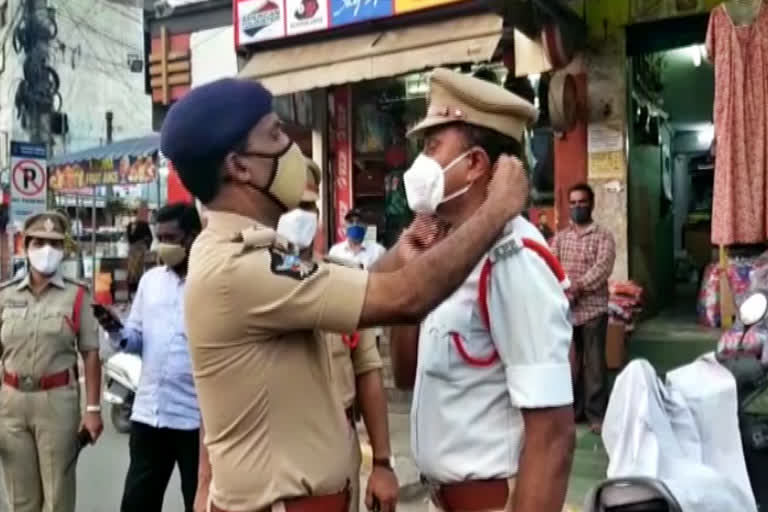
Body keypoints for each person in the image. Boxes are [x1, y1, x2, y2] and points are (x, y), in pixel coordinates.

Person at [159, 77, 528, 512]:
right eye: (276, 135)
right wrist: (497, 209)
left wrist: (408, 245)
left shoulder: (256, 253)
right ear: (240, 166)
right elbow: (403, 298)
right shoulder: (238, 266)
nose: (291, 148)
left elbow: (355, 284)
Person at [387, 68, 575, 512]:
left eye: (433, 147)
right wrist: (411, 275)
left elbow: (553, 435)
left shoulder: (514, 257)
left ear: (474, 164)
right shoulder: (444, 250)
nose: (422, 162)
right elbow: (404, 374)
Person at [275, 159, 399, 512]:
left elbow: (368, 371)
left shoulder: (341, 280)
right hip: (273, 452)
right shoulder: (248, 281)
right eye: (292, 206)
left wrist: (382, 462)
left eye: (309, 206)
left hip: (336, 451)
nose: (302, 215)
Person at [95, 203, 203, 512]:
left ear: (193, 237)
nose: (162, 246)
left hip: (194, 420)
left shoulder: (210, 283)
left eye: (171, 237)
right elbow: (135, 338)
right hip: (149, 414)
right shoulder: (151, 281)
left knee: (198, 500)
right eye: (160, 237)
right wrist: (116, 331)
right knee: (137, 502)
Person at [0, 210, 103, 512]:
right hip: (11, 402)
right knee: (21, 497)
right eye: (40, 242)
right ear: (25, 246)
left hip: (57, 402)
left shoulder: (77, 295)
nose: (47, 250)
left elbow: (91, 353)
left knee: (58, 496)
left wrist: (93, 410)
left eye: (55, 244)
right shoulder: (5, 296)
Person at [552, 183, 616, 435]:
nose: (578, 207)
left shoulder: (603, 236)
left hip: (592, 309)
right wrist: (562, 289)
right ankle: (575, 412)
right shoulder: (560, 237)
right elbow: (550, 264)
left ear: (592, 204)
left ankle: (597, 415)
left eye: (582, 202)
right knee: (571, 364)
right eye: (574, 202)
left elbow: (603, 269)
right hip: (566, 311)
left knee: (594, 364)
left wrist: (577, 287)